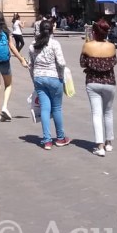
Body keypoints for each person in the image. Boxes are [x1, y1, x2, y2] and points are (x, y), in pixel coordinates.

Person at [29, 19, 68, 148]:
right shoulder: (55, 44)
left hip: (39, 78)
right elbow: (61, 63)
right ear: (52, 30)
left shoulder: (33, 45)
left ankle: (47, 140)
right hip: (54, 77)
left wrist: (33, 79)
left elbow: (31, 65)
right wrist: (61, 76)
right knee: (56, 108)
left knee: (45, 108)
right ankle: (60, 138)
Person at [0, 10, 29, 123]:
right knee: (8, 85)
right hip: (5, 62)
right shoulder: (6, 31)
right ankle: (4, 107)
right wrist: (21, 59)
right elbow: (12, 47)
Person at [81, 20, 117, 156]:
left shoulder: (87, 46)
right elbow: (114, 62)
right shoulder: (112, 46)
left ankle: (99, 146)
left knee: (96, 113)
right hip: (110, 82)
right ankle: (109, 143)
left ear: (94, 32)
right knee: (108, 112)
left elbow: (82, 63)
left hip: (92, 81)